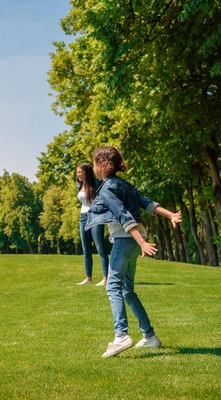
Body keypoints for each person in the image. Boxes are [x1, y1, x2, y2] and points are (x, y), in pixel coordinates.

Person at [85, 147, 181, 358]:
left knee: (113, 287)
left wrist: (142, 242)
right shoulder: (124, 184)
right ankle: (149, 337)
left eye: (94, 164)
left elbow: (123, 216)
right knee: (127, 290)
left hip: (125, 240)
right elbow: (147, 203)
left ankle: (121, 335)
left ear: (102, 166)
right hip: (134, 242)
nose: (93, 168)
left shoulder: (108, 188)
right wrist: (171, 215)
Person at [76, 163, 109, 286]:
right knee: (86, 249)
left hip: (95, 216)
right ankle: (88, 277)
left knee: (100, 248)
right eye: (77, 172)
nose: (78, 174)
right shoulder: (79, 185)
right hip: (83, 217)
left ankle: (106, 278)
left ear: (87, 172)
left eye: (80, 172)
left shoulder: (96, 183)